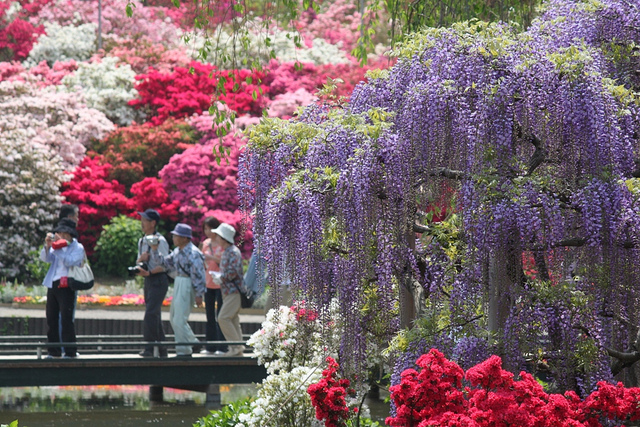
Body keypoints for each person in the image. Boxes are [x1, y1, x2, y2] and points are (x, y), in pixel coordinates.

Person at [149, 223, 205, 358]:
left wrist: (199, 294)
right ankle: (192, 343)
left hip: (187, 283)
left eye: (177, 236)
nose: (173, 238)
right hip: (179, 281)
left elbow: (198, 274)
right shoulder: (177, 251)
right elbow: (164, 263)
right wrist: (155, 250)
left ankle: (184, 350)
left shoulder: (194, 253)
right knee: (174, 318)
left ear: (185, 238)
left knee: (179, 319)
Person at [40, 218, 85, 358]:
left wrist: (58, 249)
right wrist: (48, 246)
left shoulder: (78, 247)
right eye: (59, 232)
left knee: (66, 319)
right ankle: (54, 351)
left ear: (70, 234)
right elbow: (45, 259)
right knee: (51, 318)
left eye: (64, 233)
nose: (61, 235)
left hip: (67, 285)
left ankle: (70, 351)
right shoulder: (55, 246)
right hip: (53, 283)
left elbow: (70, 261)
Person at [135, 209, 170, 358]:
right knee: (154, 315)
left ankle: (149, 348)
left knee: (150, 314)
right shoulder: (142, 241)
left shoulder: (160, 241)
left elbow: (166, 264)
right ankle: (162, 350)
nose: (142, 223)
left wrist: (149, 272)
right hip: (148, 280)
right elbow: (138, 261)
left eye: (145, 220)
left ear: (153, 223)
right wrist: (140, 261)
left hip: (159, 280)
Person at [210, 223, 245, 357]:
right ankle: (237, 349)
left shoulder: (233, 251)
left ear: (224, 238)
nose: (216, 238)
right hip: (228, 292)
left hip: (233, 292)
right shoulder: (228, 251)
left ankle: (236, 347)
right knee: (233, 319)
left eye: (218, 236)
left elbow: (233, 272)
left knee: (223, 318)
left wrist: (221, 277)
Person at [200, 216, 228, 354]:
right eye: (205, 228)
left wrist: (211, 258)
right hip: (208, 283)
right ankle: (210, 346)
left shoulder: (221, 244)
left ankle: (222, 346)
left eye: (210, 228)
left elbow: (223, 261)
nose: (208, 231)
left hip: (220, 283)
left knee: (220, 316)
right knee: (209, 316)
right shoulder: (205, 243)